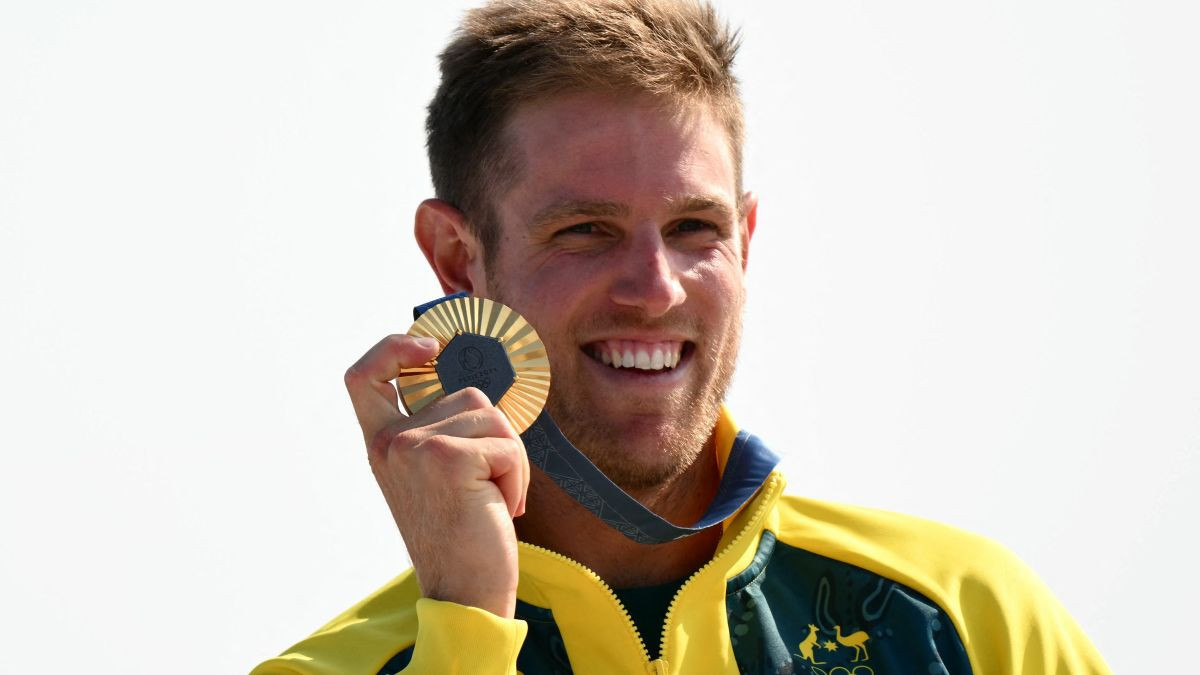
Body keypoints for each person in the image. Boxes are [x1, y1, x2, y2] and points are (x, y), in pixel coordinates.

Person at [252, 1, 1110, 673]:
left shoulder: (968, 617)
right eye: (585, 229)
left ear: (746, 240)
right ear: (456, 257)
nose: (654, 289)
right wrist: (469, 627)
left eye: (695, 227)